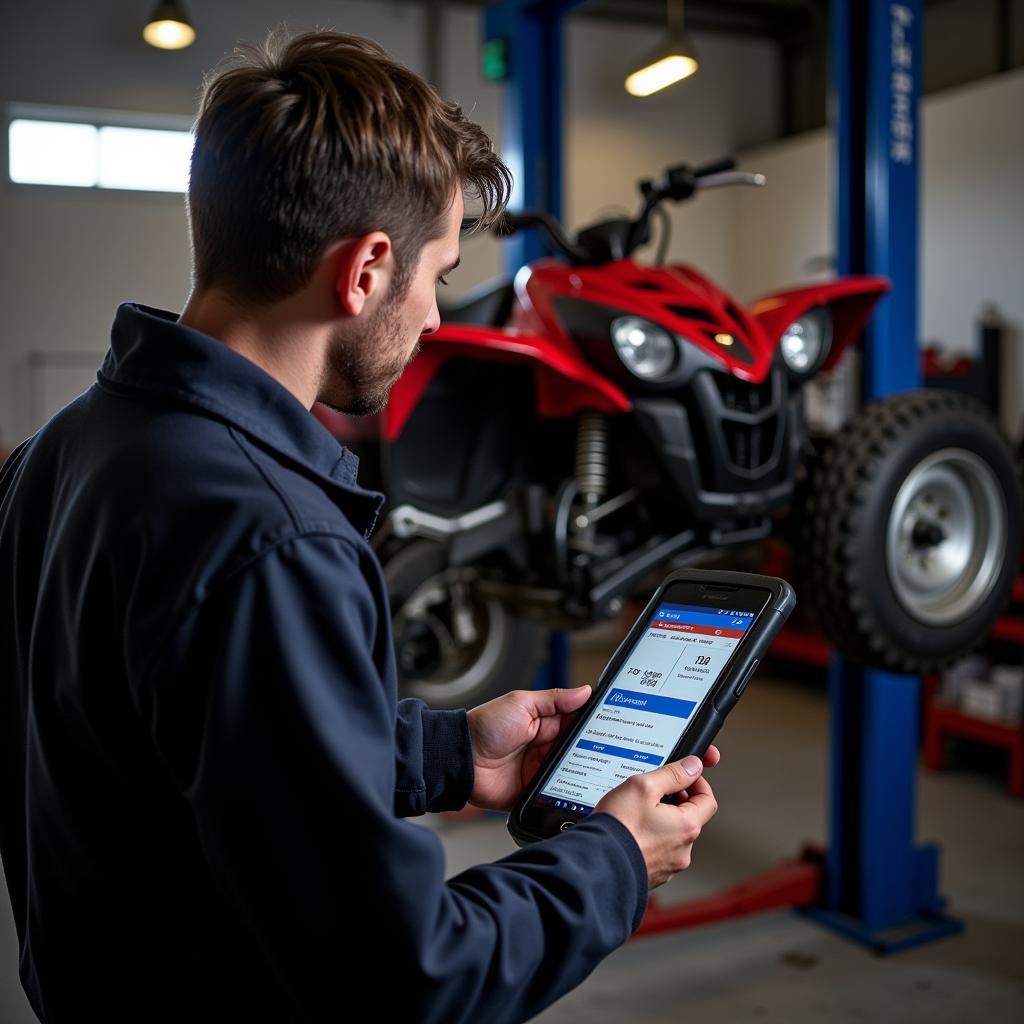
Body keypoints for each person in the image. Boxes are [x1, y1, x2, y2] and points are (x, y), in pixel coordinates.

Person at [0, 29, 720, 1024]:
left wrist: (453, 752)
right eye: (436, 274)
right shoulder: (274, 537)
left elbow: (191, 744)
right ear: (367, 268)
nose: (432, 317)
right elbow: (404, 976)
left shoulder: (63, 450)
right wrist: (613, 858)